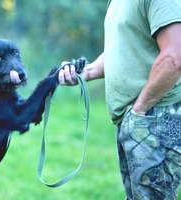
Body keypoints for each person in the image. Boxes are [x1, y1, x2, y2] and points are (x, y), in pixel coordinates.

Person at [58, 0, 181, 199]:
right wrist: (85, 73)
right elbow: (123, 49)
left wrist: (139, 109)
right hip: (133, 120)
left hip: (155, 119)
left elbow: (175, 56)